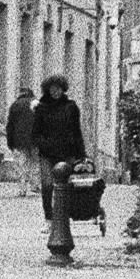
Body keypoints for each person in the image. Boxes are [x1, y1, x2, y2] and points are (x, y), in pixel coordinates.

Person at [30, 71, 88, 221]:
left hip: (67, 152)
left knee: (66, 186)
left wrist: (82, 154)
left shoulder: (71, 107)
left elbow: (77, 131)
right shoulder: (41, 108)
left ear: (63, 89)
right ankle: (48, 219)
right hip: (47, 154)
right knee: (47, 186)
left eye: (58, 88)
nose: (55, 91)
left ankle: (62, 217)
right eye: (52, 89)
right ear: (47, 90)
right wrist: (45, 143)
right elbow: (35, 133)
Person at [5, 84, 37, 196]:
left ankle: (22, 188)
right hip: (35, 139)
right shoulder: (36, 103)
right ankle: (35, 185)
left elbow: (10, 126)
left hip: (19, 140)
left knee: (22, 164)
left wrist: (10, 142)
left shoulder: (15, 105)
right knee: (35, 162)